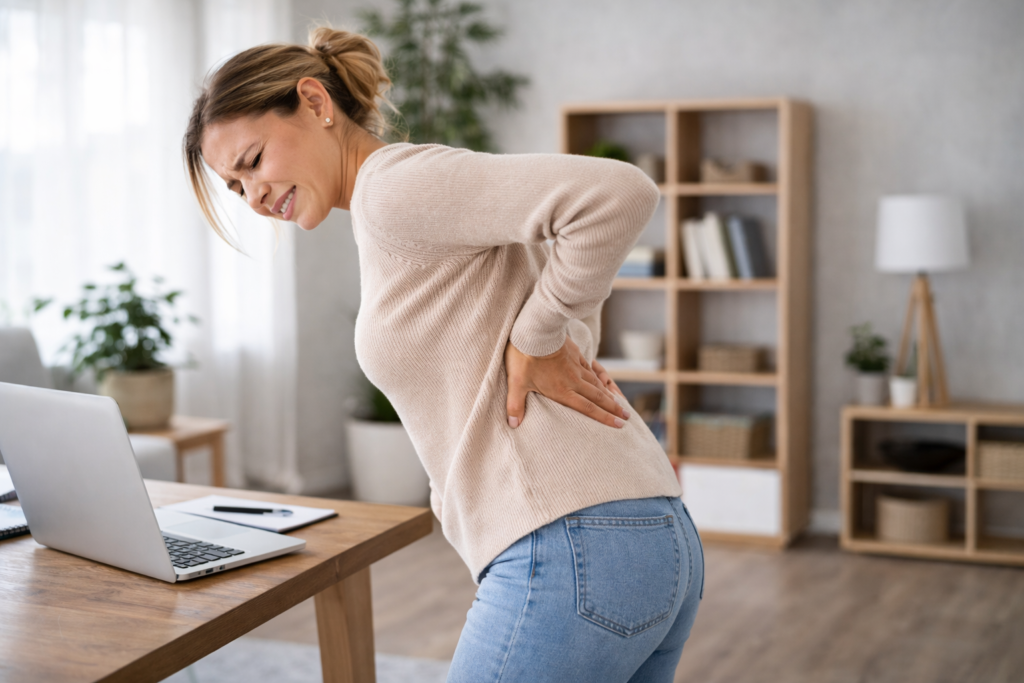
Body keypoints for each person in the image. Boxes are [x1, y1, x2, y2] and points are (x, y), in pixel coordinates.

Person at [184, 26, 703, 683]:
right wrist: (551, 336)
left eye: (253, 161)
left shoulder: (393, 189)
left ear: (315, 102)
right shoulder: (391, 207)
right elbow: (562, 262)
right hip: (647, 528)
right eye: (234, 187)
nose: (252, 197)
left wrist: (534, 338)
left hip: (573, 536)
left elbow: (619, 194)